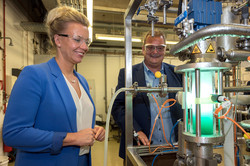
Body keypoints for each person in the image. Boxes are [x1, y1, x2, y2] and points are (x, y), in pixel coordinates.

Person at [3, 6, 105, 166]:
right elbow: (13, 134)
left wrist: (94, 130)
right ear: (58, 40)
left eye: (87, 41)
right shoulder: (35, 75)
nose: (85, 47)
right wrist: (72, 138)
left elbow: (70, 120)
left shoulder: (82, 81)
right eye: (77, 39)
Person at [111, 30, 183, 159]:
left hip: (173, 148)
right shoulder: (128, 74)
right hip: (141, 148)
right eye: (150, 47)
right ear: (143, 49)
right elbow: (117, 107)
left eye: (160, 48)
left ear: (165, 50)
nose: (155, 52)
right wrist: (135, 130)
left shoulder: (177, 73)